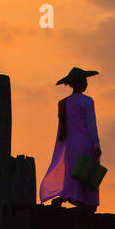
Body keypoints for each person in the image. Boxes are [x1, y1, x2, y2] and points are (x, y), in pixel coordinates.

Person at [39, 66, 101, 212]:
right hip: (86, 143)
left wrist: (64, 147)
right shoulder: (87, 101)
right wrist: (96, 144)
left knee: (74, 174)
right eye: (85, 81)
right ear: (81, 83)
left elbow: (62, 131)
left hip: (71, 145)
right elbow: (91, 125)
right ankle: (85, 204)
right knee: (86, 174)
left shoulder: (63, 103)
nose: (86, 83)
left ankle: (66, 197)